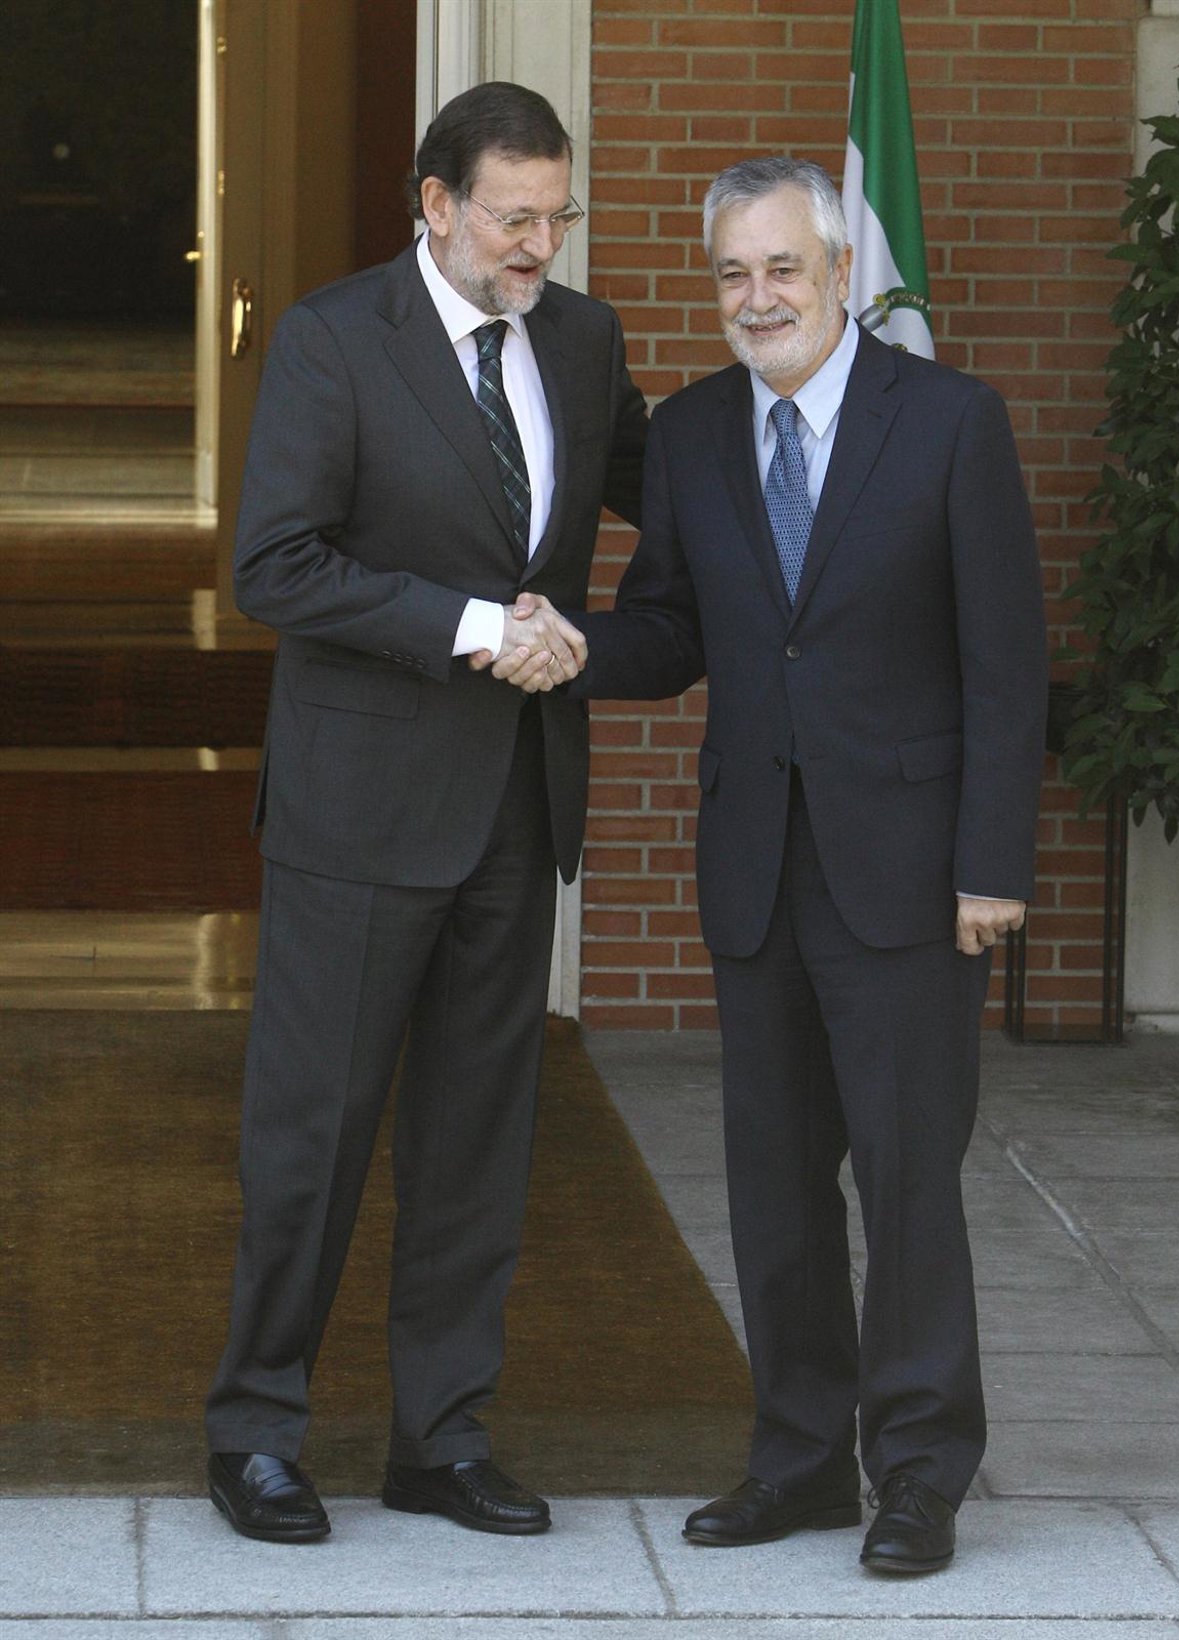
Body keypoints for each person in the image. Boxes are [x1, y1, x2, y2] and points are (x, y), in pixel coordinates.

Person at [493, 155, 1047, 1574]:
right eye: (733, 274)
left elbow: (1007, 662)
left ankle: (917, 1472)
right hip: (756, 866)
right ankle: (799, 1464)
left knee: (909, 1183)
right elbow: (672, 625)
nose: (758, 298)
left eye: (783, 268)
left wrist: (992, 865)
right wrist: (564, 647)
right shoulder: (689, 435)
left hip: (911, 876)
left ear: (841, 272)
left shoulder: (952, 422)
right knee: (778, 1186)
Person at [205, 80, 647, 1545]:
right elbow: (274, 564)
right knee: (312, 1139)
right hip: (358, 812)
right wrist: (471, 625)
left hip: (517, 805)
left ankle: (440, 1442)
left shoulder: (582, 341)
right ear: (437, 204)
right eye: (515, 219)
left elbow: (668, 488)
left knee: (476, 1144)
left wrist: (822, 402)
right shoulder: (336, 339)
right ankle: (255, 1430)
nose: (539, 247)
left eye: (557, 218)